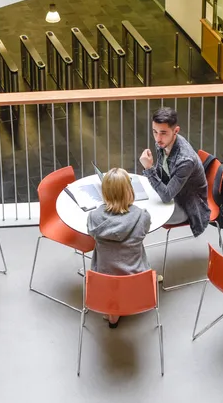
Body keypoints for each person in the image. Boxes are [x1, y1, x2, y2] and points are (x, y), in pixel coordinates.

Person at [87, 168, 152, 328]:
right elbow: (144, 231)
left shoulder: (94, 218)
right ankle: (127, 300)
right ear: (130, 191)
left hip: (103, 284)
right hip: (136, 282)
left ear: (105, 193)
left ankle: (112, 313)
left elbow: (91, 233)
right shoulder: (142, 217)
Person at [139, 107, 209, 238]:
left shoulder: (185, 160)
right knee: (137, 204)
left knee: (141, 216)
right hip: (173, 193)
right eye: (155, 132)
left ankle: (130, 254)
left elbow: (166, 196)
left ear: (175, 131)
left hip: (188, 206)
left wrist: (149, 169)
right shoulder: (163, 143)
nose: (158, 138)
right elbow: (162, 175)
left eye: (163, 133)